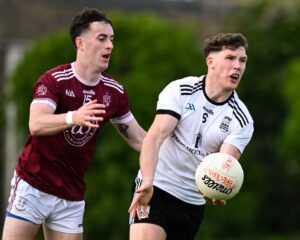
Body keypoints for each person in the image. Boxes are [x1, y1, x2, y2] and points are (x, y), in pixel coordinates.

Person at [2, 7, 146, 240]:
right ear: (80, 43)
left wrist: (183, 153)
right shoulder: (55, 80)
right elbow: (36, 124)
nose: (110, 45)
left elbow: (140, 139)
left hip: (71, 193)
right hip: (34, 184)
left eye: (112, 39)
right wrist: (73, 117)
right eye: (102, 38)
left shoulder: (114, 92)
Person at [128, 33, 254, 240]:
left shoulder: (242, 120)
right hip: (155, 189)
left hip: (192, 203)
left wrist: (219, 188)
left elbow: (224, 165)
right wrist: (147, 181)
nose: (238, 66)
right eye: (230, 58)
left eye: (242, 61)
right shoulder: (182, 90)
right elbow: (154, 137)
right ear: (210, 61)